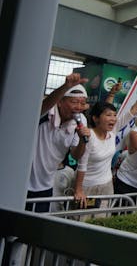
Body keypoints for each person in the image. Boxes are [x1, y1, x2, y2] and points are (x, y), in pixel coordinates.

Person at [73, 79, 137, 212]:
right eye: (108, 115)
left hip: (106, 186)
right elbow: (81, 165)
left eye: (114, 115)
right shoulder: (89, 137)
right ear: (95, 118)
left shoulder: (112, 132)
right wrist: (78, 190)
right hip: (88, 187)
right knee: (84, 219)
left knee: (102, 220)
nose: (113, 118)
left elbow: (134, 110)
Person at [28, 73, 90, 212]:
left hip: (46, 186)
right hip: (21, 183)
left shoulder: (81, 121)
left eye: (82, 103)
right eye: (74, 102)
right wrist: (66, 86)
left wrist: (82, 141)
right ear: (60, 102)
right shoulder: (46, 113)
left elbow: (75, 155)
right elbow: (44, 105)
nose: (78, 107)